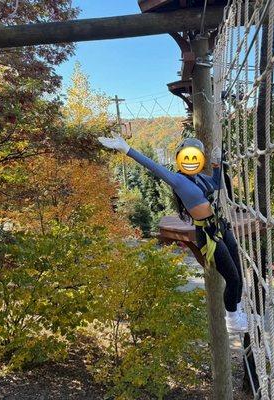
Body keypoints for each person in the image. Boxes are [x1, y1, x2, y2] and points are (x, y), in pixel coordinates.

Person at [98, 136, 248, 333]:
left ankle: (237, 310)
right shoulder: (178, 181)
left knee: (239, 274)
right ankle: (232, 319)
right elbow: (153, 167)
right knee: (233, 278)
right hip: (208, 233)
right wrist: (127, 149)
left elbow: (218, 185)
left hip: (221, 226)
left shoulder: (201, 178)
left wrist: (217, 165)